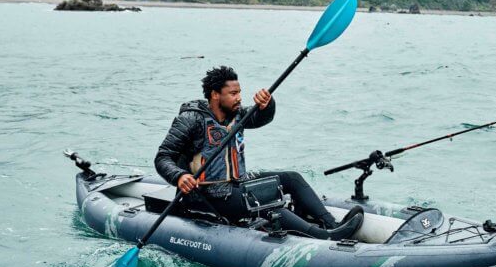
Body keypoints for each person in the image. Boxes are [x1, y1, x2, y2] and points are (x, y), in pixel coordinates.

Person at [154, 66, 363, 239]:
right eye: (233, 94)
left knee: (292, 179)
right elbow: (163, 157)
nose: (239, 98)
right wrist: (180, 176)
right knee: (265, 202)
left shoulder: (238, 114)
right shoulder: (191, 120)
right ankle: (323, 236)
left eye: (239, 93)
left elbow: (261, 118)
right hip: (207, 195)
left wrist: (266, 104)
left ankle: (330, 223)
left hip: (236, 183)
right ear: (215, 95)